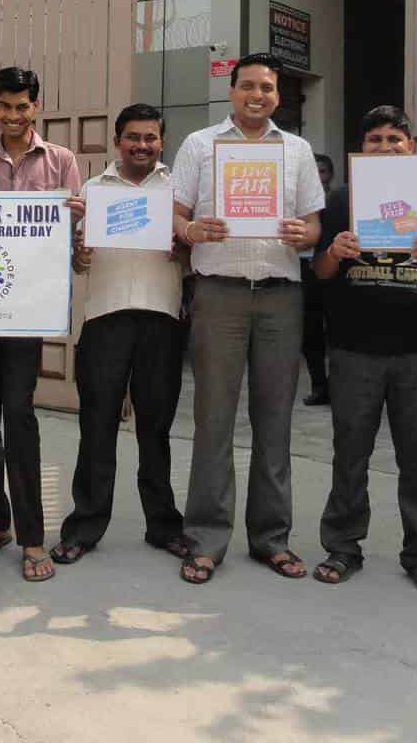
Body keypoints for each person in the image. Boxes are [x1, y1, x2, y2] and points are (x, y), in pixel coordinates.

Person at [171, 52, 324, 585]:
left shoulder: (297, 150)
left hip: (281, 294)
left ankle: (271, 539)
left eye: (267, 88)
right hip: (219, 293)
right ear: (231, 91)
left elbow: (312, 224)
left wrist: (307, 236)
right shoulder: (200, 145)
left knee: (274, 419)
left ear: (278, 96)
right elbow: (176, 213)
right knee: (213, 418)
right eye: (248, 86)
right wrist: (190, 233)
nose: (257, 95)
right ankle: (206, 539)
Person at [311, 106, 417, 596]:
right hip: (353, 350)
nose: (385, 146)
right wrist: (334, 254)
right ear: (362, 149)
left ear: (411, 147)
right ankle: (342, 546)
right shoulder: (339, 201)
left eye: (394, 139)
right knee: (350, 454)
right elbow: (317, 274)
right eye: (375, 139)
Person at [0, 66, 82, 582]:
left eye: (22, 106)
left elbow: (73, 228)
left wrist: (74, 219)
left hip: (27, 310)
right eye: (4, 106)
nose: (13, 115)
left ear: (36, 107)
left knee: (19, 415)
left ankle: (33, 537)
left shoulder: (61, 161)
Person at [50, 104, 189, 565]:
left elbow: (193, 258)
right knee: (97, 426)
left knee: (156, 429)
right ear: (117, 142)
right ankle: (84, 526)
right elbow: (77, 261)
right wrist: (80, 256)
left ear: (161, 142)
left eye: (151, 137)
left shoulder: (178, 191)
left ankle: (164, 525)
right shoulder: (93, 190)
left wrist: (182, 249)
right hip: (104, 318)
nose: (142, 145)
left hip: (162, 318)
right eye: (133, 137)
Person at [301, 154, 334, 406]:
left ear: (330, 175)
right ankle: (319, 385)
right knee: (310, 330)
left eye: (322, 171)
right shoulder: (297, 201)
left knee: (335, 328)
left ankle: (338, 384)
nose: (318, 175)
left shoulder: (340, 202)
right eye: (315, 170)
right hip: (304, 269)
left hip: (333, 269)